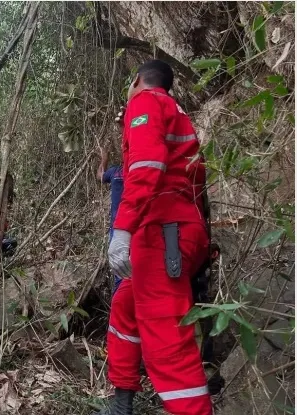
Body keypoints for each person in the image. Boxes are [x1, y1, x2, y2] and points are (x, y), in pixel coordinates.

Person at [102, 60, 212, 415]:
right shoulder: (176, 112)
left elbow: (147, 166)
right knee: (126, 307)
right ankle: (122, 403)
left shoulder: (146, 100)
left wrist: (122, 230)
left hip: (162, 232)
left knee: (167, 338)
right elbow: (194, 181)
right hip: (181, 230)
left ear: (137, 81)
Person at [96, 145, 124, 296]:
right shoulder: (138, 172)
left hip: (118, 226)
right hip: (134, 225)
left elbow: (100, 175)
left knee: (120, 268)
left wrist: (104, 159)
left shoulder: (116, 172)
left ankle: (120, 300)